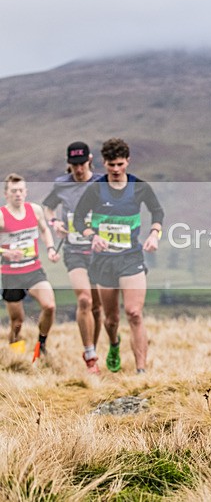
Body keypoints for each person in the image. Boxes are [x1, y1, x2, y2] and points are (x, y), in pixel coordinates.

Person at [73, 138, 164, 374]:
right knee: (111, 319)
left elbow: (157, 211)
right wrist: (92, 235)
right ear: (103, 163)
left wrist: (154, 234)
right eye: (111, 165)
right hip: (104, 261)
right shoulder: (95, 189)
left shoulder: (140, 187)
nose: (115, 170)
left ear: (128, 161)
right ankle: (114, 344)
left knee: (134, 313)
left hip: (131, 258)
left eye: (120, 164)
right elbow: (78, 218)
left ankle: (141, 370)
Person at [42, 141, 105, 374]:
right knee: (85, 301)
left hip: (99, 251)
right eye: (74, 165)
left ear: (89, 159)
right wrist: (55, 222)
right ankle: (89, 355)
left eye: (82, 164)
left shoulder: (101, 182)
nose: (79, 169)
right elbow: (48, 207)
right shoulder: (62, 185)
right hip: (74, 249)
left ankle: (94, 350)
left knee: (98, 308)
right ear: (69, 164)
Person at [1, 173, 60, 362]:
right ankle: (15, 355)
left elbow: (44, 230)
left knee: (49, 305)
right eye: (13, 191)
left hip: (33, 269)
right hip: (11, 274)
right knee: (17, 321)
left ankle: (40, 346)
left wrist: (50, 248)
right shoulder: (2, 216)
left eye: (21, 190)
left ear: (26, 192)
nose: (18, 194)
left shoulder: (34, 210)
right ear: (6, 194)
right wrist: (4, 252)